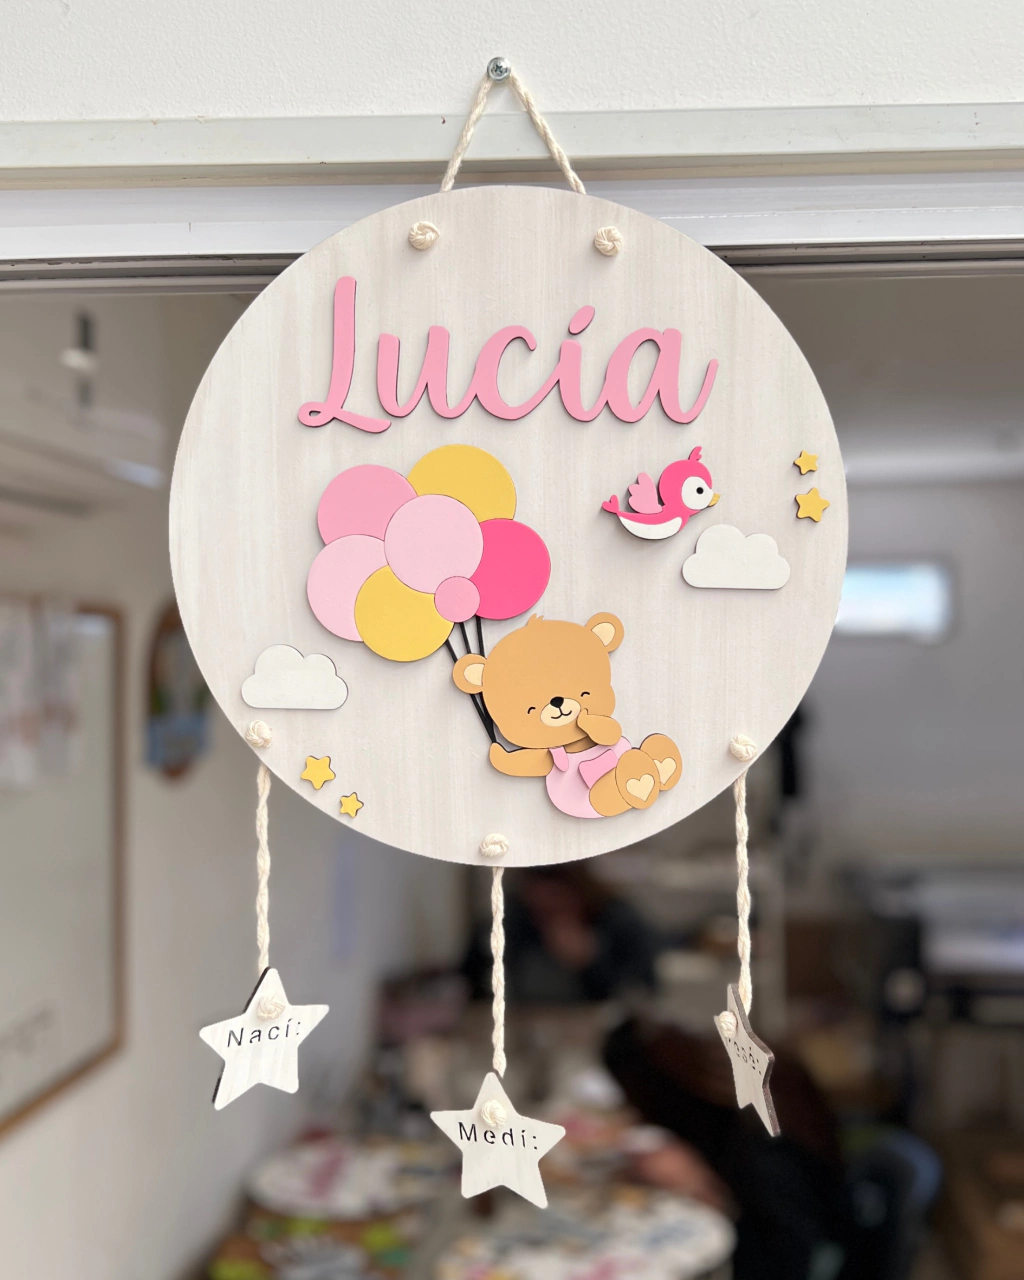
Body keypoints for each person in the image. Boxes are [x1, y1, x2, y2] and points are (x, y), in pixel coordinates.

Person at [463, 864, 659, 1004]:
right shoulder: (511, 922)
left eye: (558, 901)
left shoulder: (618, 922)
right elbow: (470, 984)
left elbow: (641, 994)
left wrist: (591, 964)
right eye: (539, 910)